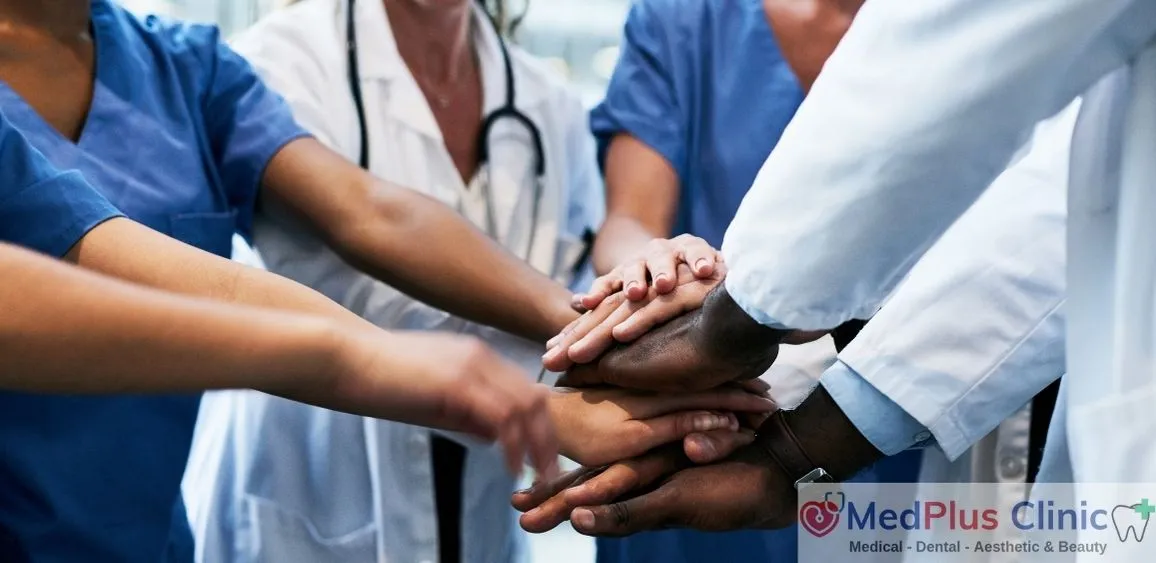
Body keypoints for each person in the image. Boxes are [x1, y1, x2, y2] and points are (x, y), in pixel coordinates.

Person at [519, 0, 1156, 547]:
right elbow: (1054, 222)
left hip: (904, 450)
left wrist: (729, 328)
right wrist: (795, 440)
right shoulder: (687, 23)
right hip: (803, 417)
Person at [0, 0, 621, 560]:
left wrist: (599, 320)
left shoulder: (184, 67)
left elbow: (366, 211)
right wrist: (376, 358)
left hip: (146, 536)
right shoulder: (285, 54)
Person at [180, 0, 604, 561]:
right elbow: (352, 270)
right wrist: (572, 400)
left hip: (484, 505)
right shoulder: (280, 63)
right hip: (312, 489)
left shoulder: (551, 107)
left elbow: (580, 301)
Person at [541, 1, 917, 561]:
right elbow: (630, 222)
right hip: (692, 429)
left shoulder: (946, 27)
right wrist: (654, 270)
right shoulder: (684, 21)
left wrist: (731, 310)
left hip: (884, 431)